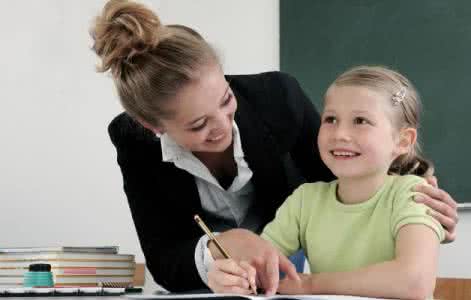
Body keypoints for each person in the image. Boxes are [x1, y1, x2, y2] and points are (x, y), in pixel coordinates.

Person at [89, 0, 459, 294]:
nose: (222, 127)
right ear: (152, 126)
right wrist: (220, 259)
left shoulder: (275, 98)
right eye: (198, 125)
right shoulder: (133, 140)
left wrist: (421, 185)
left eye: (225, 98)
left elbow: (348, 167)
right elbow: (166, 256)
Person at [208, 66, 446, 299]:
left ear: (403, 141)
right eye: (330, 119)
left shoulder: (414, 195)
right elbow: (259, 263)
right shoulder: (305, 200)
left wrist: (311, 284)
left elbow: (414, 282)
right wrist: (233, 276)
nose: (340, 133)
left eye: (361, 121)